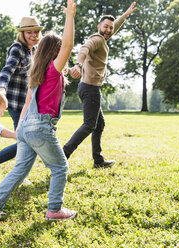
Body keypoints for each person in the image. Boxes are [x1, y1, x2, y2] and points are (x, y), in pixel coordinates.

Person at [0, 0, 77, 224]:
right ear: (55, 51)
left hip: (26, 126)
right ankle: (54, 209)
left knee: (20, 169)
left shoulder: (36, 74)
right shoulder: (53, 70)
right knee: (60, 167)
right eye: (60, 48)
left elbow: (26, 105)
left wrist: (22, 129)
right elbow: (69, 46)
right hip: (41, 126)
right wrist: (70, 17)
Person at [64, 2, 137, 169]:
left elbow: (114, 25)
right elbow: (84, 49)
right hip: (90, 89)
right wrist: (78, 64)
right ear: (99, 26)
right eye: (105, 27)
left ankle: (98, 160)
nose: (108, 30)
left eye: (110, 28)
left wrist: (124, 15)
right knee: (89, 125)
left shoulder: (104, 37)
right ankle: (63, 154)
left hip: (89, 88)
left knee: (99, 124)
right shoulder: (96, 39)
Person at [0, 16, 43, 169]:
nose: (33, 35)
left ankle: (19, 173)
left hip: (30, 104)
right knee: (25, 141)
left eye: (35, 32)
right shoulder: (18, 48)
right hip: (17, 103)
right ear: (22, 34)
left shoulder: (34, 50)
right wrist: (2, 88)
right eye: (29, 32)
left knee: (28, 141)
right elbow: (7, 70)